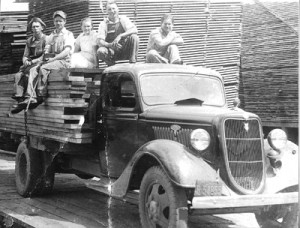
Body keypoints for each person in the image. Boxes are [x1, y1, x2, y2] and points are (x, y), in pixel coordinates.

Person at [17, 10, 74, 109]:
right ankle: (31, 97)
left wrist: (53, 59)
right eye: (56, 21)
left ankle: (41, 94)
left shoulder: (68, 34)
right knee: (33, 69)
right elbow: (47, 49)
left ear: (65, 21)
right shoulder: (52, 35)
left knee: (43, 68)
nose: (58, 23)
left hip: (64, 61)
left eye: (60, 21)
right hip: (53, 60)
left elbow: (66, 51)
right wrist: (47, 52)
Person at [11, 17, 47, 103]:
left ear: (42, 27)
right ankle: (19, 98)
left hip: (41, 62)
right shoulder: (29, 41)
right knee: (18, 75)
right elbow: (25, 55)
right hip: (30, 63)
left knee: (31, 71)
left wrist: (33, 62)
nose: (35, 29)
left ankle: (31, 97)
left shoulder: (46, 39)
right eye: (33, 27)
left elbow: (45, 56)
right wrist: (25, 61)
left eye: (37, 26)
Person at [97, 1, 139, 66]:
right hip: (112, 51)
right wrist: (110, 45)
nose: (112, 11)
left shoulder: (123, 19)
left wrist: (120, 36)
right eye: (109, 9)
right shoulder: (103, 23)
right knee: (101, 51)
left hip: (124, 49)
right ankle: (111, 66)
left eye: (114, 8)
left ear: (117, 9)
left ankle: (132, 63)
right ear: (106, 11)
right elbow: (100, 41)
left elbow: (134, 29)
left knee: (134, 37)